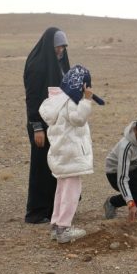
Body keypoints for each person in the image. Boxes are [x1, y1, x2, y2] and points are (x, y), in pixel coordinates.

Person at [39, 65, 103, 243]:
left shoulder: (57, 101)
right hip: (71, 156)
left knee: (61, 190)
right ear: (82, 86)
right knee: (71, 192)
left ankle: (56, 225)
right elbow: (79, 119)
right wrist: (87, 100)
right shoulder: (70, 102)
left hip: (61, 155)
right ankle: (64, 229)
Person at [23, 27, 70, 224]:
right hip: (41, 125)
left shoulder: (60, 65)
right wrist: (37, 127)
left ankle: (53, 210)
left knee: (55, 165)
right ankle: (36, 212)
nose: (60, 50)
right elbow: (33, 99)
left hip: (58, 125)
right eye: (58, 46)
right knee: (41, 166)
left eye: (63, 47)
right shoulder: (37, 66)